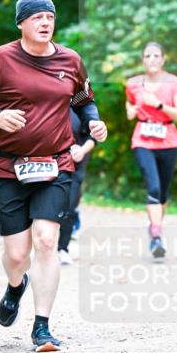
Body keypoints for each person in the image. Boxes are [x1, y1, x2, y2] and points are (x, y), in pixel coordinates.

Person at [0, 0, 108, 352]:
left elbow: (83, 100)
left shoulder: (70, 60)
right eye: (37, 18)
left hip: (56, 163)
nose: (45, 23)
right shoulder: (0, 60)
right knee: (16, 255)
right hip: (10, 166)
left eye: (50, 17)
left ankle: (42, 326)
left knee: (47, 240)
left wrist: (94, 123)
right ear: (21, 24)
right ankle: (16, 286)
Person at [125, 42, 177, 259]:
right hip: (142, 140)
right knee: (154, 187)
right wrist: (130, 111)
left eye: (156, 55)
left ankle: (154, 227)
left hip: (168, 140)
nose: (151, 59)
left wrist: (157, 104)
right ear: (142, 59)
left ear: (163, 59)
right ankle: (157, 236)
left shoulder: (173, 83)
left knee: (163, 193)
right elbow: (129, 103)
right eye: (147, 56)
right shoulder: (133, 83)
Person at [58, 108, 96, 265]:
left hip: (75, 166)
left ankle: (62, 249)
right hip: (48, 165)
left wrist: (82, 150)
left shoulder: (81, 106)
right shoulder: (45, 100)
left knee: (70, 207)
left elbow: (93, 136)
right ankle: (44, 247)